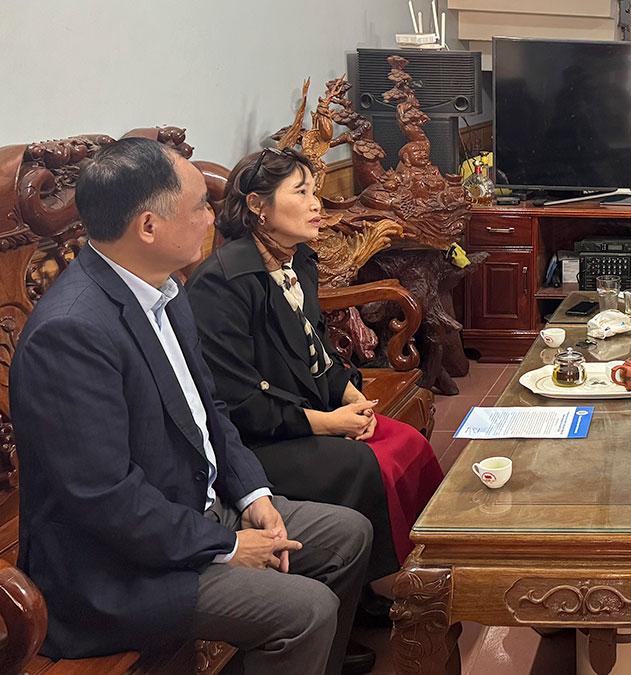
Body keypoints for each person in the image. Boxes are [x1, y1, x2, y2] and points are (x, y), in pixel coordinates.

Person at [10, 137, 373, 675]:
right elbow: (105, 497)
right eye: (200, 206)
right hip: (119, 569)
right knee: (306, 609)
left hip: (195, 510)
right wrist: (225, 545)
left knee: (348, 534)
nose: (211, 219)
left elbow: (211, 411)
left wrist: (254, 494)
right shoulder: (71, 333)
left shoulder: (166, 293)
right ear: (149, 227)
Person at [186, 147, 444, 609]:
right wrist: (330, 424)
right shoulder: (222, 282)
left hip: (308, 411)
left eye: (316, 192)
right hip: (256, 440)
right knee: (359, 464)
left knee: (408, 442)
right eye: (301, 193)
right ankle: (373, 595)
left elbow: (317, 346)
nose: (316, 205)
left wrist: (348, 394)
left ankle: (426, 560)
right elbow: (238, 402)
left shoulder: (297, 259)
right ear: (257, 206)